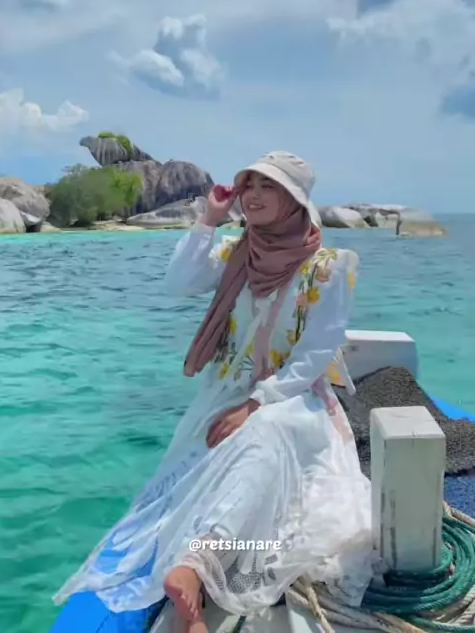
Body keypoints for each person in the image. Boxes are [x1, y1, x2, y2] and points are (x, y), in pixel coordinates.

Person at [54, 151, 374, 633]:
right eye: (250, 186)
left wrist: (257, 403)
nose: (254, 196)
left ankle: (194, 567)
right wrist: (208, 220)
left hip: (292, 399)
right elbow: (177, 282)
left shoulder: (328, 267)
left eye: (269, 187)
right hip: (226, 393)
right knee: (203, 474)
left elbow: (316, 352)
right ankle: (193, 575)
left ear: (295, 200)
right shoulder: (236, 254)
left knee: (264, 435)